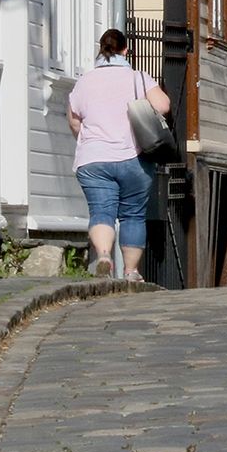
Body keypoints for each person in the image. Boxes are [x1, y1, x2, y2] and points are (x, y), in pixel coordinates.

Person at [67, 28, 170, 281]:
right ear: (126, 50)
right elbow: (164, 106)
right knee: (133, 214)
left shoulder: (85, 81)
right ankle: (131, 271)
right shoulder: (138, 78)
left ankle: (103, 256)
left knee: (101, 211)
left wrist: (90, 140)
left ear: (101, 50)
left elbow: (74, 121)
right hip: (132, 157)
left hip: (94, 159)